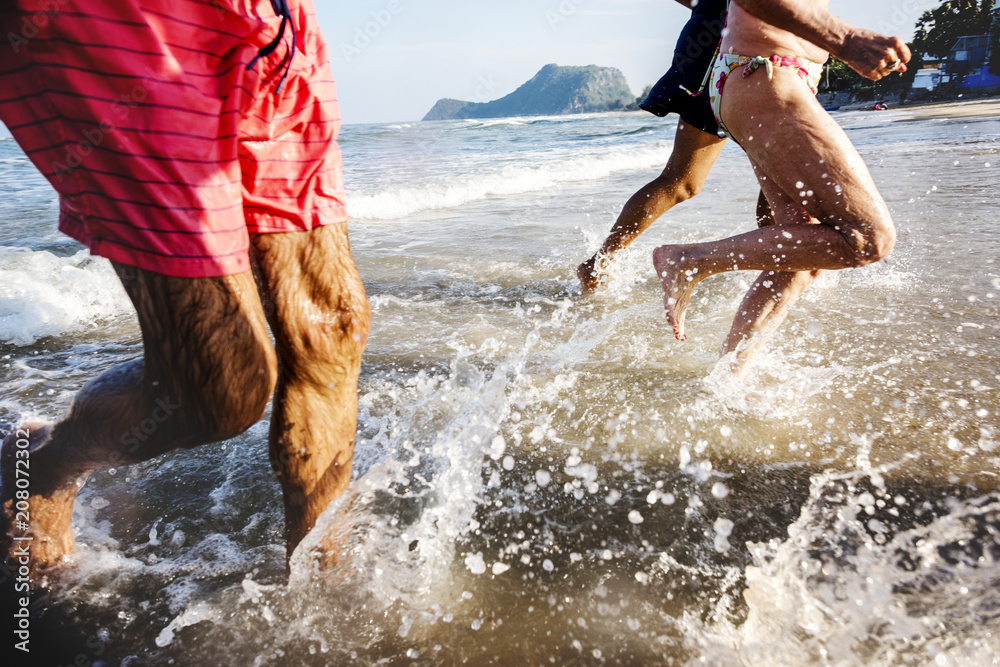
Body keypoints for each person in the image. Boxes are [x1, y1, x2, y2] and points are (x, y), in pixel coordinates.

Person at [0, 0, 370, 575]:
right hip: (127, 23)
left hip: (275, 26)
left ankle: (325, 587)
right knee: (220, 389)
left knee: (333, 326)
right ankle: (43, 463)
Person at [652, 0, 909, 380]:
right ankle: (688, 260)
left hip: (765, 79)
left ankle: (729, 380)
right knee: (869, 238)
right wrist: (848, 39)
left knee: (802, 256)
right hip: (767, 77)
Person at [578, 0, 775, 292]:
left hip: (708, 38)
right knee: (780, 171)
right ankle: (780, 270)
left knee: (682, 181)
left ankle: (600, 262)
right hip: (741, 44)